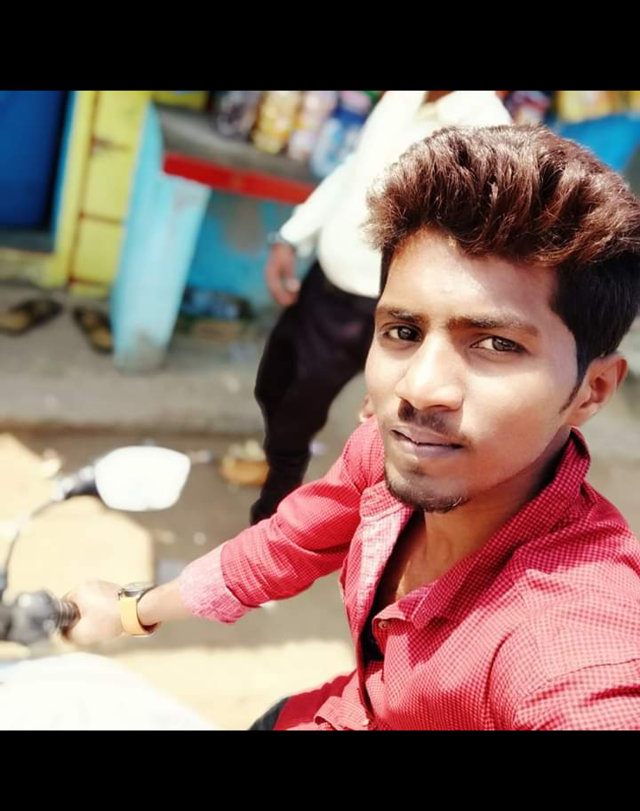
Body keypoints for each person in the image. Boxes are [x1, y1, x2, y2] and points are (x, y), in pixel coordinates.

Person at [64, 124, 640, 730]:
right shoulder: (385, 458)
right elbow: (283, 544)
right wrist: (131, 612)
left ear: (593, 390)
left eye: (496, 344)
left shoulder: (571, 643)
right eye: (403, 332)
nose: (418, 388)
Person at [251, 90, 511, 523]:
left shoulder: (487, 130)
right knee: (272, 383)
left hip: (376, 303)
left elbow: (468, 253)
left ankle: (271, 516)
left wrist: (407, 351)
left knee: (299, 411)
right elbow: (354, 170)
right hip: (324, 278)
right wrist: (291, 237)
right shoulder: (402, 97)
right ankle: (277, 474)